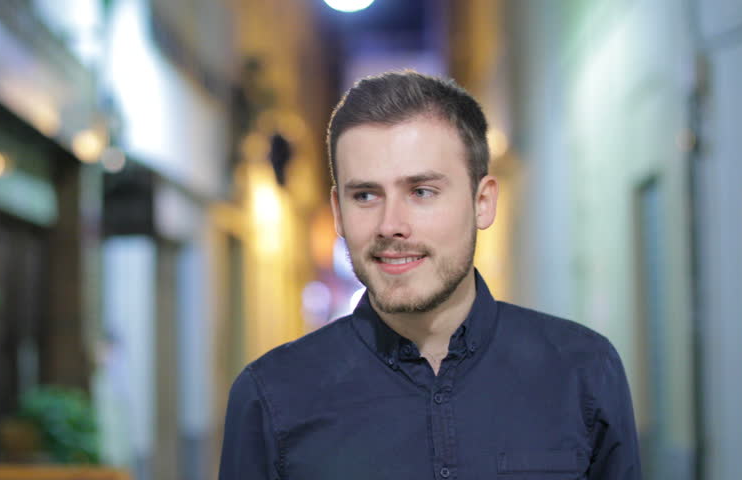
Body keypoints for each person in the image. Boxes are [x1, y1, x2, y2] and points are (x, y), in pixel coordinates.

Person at [218, 71, 642, 479]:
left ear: (483, 202)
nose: (390, 225)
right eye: (365, 195)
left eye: (421, 192)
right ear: (338, 212)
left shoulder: (583, 372)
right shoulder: (271, 398)